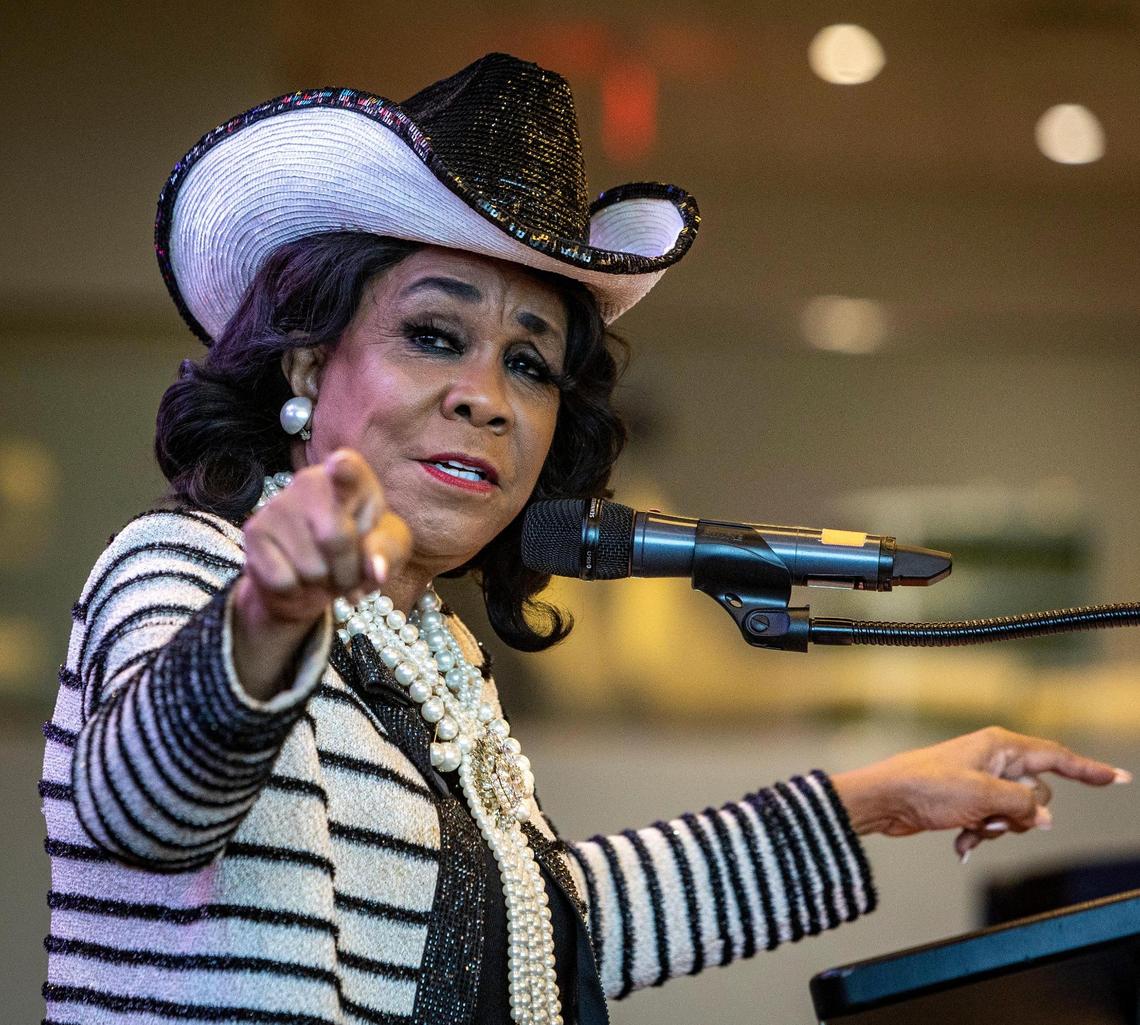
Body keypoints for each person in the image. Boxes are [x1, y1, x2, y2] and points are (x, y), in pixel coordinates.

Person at [41, 53, 1128, 1025]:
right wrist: (270, 613)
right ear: (307, 363)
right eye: (433, 333)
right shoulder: (189, 564)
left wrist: (877, 798)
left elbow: (538, 934)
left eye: (530, 361)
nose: (486, 396)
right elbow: (151, 799)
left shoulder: (433, 649)